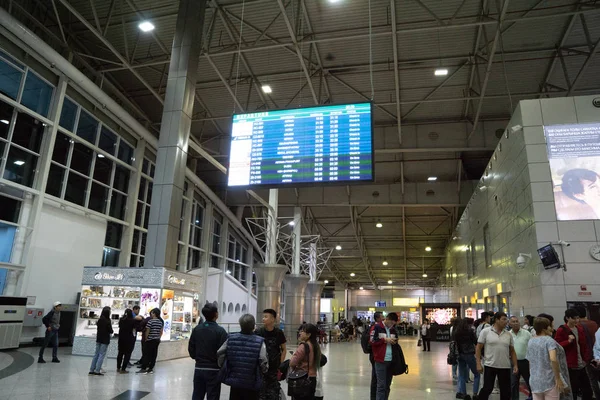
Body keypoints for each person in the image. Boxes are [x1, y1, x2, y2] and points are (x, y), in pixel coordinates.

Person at [218, 314, 268, 400]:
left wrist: (222, 365)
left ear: (240, 325)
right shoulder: (260, 341)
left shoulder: (231, 338)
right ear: (253, 326)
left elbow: (220, 352)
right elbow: (263, 359)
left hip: (235, 381)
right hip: (252, 382)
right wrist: (264, 370)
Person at [526, 317, 572, 400]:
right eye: (550, 326)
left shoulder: (531, 341)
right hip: (549, 380)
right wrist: (558, 378)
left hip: (535, 381)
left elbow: (530, 361)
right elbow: (553, 359)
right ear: (544, 328)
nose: (551, 328)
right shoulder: (549, 341)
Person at [189, 304, 228, 400]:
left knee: (197, 395)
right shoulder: (221, 331)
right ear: (216, 314)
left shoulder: (196, 330)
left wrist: (197, 358)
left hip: (199, 368)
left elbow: (191, 349)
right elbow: (224, 352)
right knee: (213, 396)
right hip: (214, 370)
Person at [476, 312, 518, 400]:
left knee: (506, 391)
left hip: (505, 366)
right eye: (503, 319)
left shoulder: (508, 334)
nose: (506, 321)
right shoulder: (486, 332)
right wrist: (478, 364)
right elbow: (478, 348)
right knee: (487, 388)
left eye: (506, 319)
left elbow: (512, 351)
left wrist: (515, 365)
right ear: (496, 320)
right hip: (490, 365)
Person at [554, 309, 593, 400]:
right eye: (574, 318)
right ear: (567, 318)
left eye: (578, 318)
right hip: (570, 365)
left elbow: (584, 344)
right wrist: (568, 341)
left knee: (587, 390)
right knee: (573, 390)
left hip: (581, 364)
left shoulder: (579, 329)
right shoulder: (561, 330)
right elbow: (557, 346)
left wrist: (585, 359)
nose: (576, 321)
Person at [256, 308, 287, 400]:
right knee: (261, 393)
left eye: (266, 317)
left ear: (273, 319)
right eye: (263, 317)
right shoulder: (258, 332)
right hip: (261, 368)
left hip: (274, 368)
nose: (263, 319)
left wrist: (280, 365)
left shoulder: (279, 333)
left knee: (273, 393)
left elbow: (284, 349)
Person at [289, 323, 322, 400]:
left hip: (302, 379)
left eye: (302, 331)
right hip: (313, 378)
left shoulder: (304, 346)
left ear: (308, 335)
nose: (300, 333)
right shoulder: (316, 346)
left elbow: (292, 362)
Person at [371, 312, 399, 400]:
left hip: (391, 361)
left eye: (393, 324)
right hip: (380, 360)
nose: (391, 325)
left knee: (387, 385)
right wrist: (384, 340)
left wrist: (395, 341)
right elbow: (372, 341)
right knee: (381, 385)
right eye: (390, 323)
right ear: (386, 319)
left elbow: (396, 341)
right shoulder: (377, 327)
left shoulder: (393, 330)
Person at [575, 306, 600, 400]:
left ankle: (597, 396)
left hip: (587, 356)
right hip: (595, 355)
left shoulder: (578, 326)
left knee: (592, 378)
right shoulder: (594, 324)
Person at [454, 318, 481, 400]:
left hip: (460, 355)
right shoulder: (470, 331)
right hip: (469, 354)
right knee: (476, 374)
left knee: (461, 375)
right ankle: (475, 394)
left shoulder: (457, 332)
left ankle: (464, 394)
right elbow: (476, 342)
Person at [510, 316, 533, 400]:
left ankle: (532, 397)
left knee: (529, 381)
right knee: (513, 383)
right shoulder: (508, 334)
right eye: (513, 322)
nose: (516, 323)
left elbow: (532, 346)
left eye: (517, 321)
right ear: (510, 324)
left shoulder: (526, 333)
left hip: (525, 362)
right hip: (513, 362)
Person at [137, 308, 164, 374]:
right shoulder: (160, 322)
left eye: (152, 313)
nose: (151, 314)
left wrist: (146, 338)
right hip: (156, 340)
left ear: (154, 314)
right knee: (154, 354)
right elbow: (161, 331)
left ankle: (144, 368)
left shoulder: (150, 321)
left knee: (146, 354)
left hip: (150, 340)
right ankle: (151, 368)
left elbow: (147, 331)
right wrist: (159, 338)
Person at [89, 306, 113, 376]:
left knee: (96, 354)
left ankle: (91, 369)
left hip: (99, 338)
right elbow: (110, 330)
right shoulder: (108, 320)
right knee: (101, 355)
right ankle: (97, 370)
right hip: (105, 340)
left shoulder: (100, 320)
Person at [117, 309, 136, 373]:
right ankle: (123, 369)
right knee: (127, 354)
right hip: (129, 339)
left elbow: (119, 326)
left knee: (120, 353)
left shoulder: (121, 319)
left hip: (121, 338)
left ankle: (118, 367)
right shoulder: (133, 321)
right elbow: (134, 329)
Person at [450, 317, 460, 382]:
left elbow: (451, 335)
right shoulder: (459, 328)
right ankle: (459, 374)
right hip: (458, 346)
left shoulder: (451, 328)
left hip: (452, 345)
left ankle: (454, 374)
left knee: (454, 359)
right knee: (459, 360)